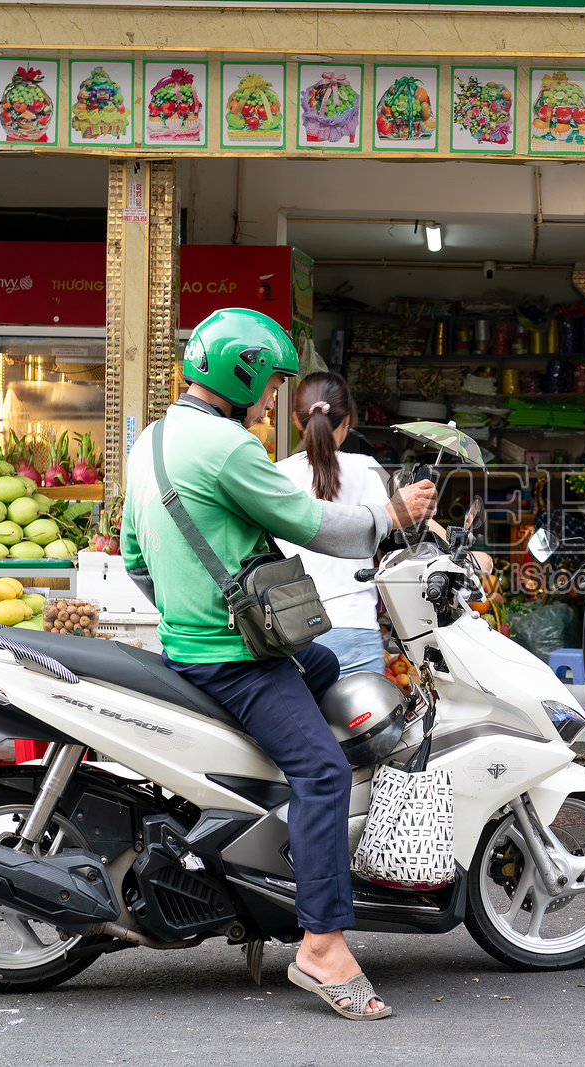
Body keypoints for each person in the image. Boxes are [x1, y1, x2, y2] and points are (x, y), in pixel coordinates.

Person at [120, 308, 435, 1021]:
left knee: (325, 668)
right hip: (237, 660)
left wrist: (191, 610)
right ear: (242, 376)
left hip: (196, 645)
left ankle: (297, 851)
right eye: (269, 386)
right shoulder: (228, 446)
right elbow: (315, 524)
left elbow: (135, 559)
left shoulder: (152, 442)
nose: (273, 401)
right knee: (322, 769)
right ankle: (322, 942)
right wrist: (390, 516)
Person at [274, 372, 391, 678]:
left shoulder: (274, 477)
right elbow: (406, 531)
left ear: (297, 421)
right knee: (369, 726)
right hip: (355, 630)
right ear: (347, 421)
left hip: (292, 632)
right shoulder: (367, 470)